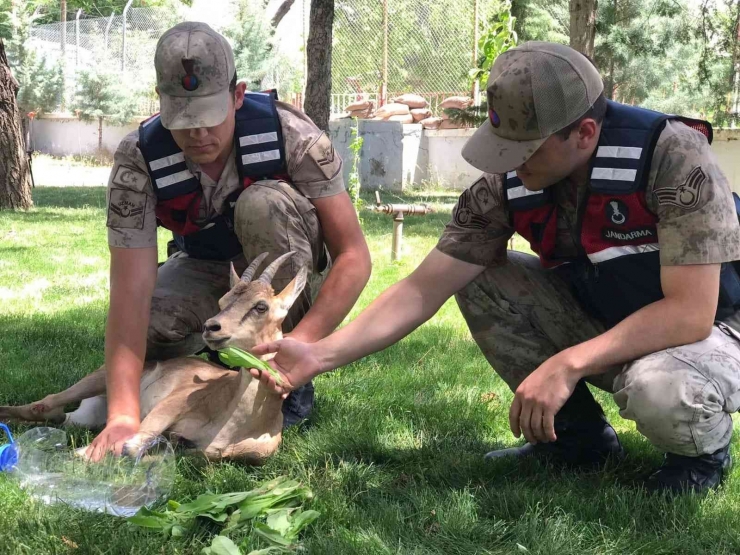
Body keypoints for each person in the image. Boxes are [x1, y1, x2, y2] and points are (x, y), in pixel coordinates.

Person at [249, 41, 740, 494]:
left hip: (713, 327)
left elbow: (690, 312)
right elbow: (425, 286)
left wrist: (567, 362)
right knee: (480, 276)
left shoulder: (671, 155)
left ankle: (700, 454)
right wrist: (321, 354)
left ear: (584, 133)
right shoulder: (508, 182)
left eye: (524, 149)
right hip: (611, 315)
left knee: (662, 389)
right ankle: (577, 440)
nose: (507, 163)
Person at [88, 22, 371, 458]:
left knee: (263, 202)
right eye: (184, 120)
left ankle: (285, 381)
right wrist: (123, 414)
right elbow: (129, 291)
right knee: (151, 324)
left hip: (279, 276)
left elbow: (353, 256)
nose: (199, 134)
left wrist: (301, 345)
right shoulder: (139, 158)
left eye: (209, 116)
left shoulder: (291, 135)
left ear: (238, 96)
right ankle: (212, 372)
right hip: (206, 266)